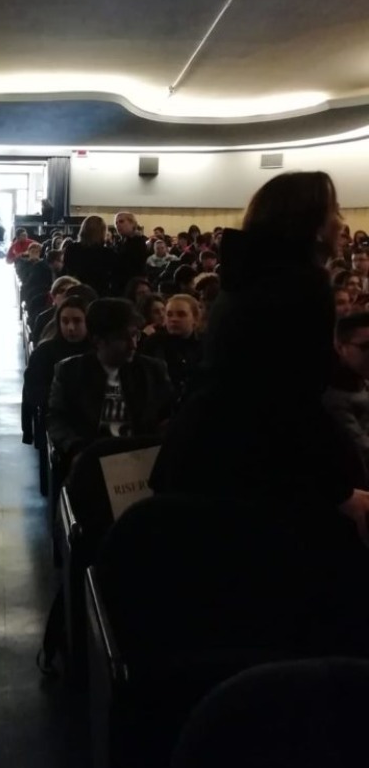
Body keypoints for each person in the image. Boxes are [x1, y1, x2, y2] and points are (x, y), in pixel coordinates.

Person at [151, 171, 369, 555]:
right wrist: (339, 489)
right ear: (311, 224)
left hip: (202, 448)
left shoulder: (248, 274)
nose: (342, 221)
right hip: (245, 465)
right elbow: (291, 399)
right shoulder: (302, 284)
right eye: (334, 211)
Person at [48, 298, 173, 465]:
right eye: (123, 339)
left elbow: (168, 414)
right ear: (98, 341)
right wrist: (75, 449)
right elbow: (56, 420)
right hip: (91, 458)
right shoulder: (70, 372)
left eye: (134, 335)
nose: (133, 345)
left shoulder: (152, 370)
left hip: (144, 458)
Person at [23, 296, 92, 414]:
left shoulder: (99, 352)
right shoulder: (44, 352)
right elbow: (34, 392)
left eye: (77, 321)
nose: (70, 328)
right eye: (65, 321)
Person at [323, 312, 369, 480]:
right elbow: (362, 450)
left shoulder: (361, 379)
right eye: (366, 347)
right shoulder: (335, 397)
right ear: (340, 347)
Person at [140, 294, 203, 407]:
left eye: (181, 314)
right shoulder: (154, 343)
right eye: (169, 314)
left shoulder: (205, 344)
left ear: (195, 319)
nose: (174, 319)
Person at [62, 214, 114, 296]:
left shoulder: (72, 248)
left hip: (76, 291)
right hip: (99, 293)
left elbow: (66, 270)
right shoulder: (107, 253)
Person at [30, 275, 81, 346]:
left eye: (71, 291)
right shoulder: (43, 318)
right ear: (53, 296)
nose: (66, 294)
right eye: (62, 290)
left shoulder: (84, 316)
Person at [111, 212, 149, 295]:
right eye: (116, 223)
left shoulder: (139, 241)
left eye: (121, 221)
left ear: (132, 223)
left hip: (134, 284)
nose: (118, 225)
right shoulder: (118, 242)